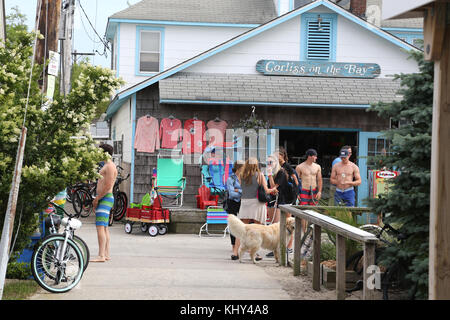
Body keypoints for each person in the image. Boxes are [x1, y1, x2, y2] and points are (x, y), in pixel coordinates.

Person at [237, 157, 277, 261]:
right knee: (257, 230)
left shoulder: (241, 175)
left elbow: (242, 188)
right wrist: (273, 189)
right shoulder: (260, 176)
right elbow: (266, 191)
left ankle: (237, 251)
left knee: (243, 229)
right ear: (256, 165)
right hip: (256, 203)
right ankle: (255, 253)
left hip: (245, 202)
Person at [91, 143, 118, 262]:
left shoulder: (110, 166)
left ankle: (101, 255)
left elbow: (108, 185)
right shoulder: (107, 165)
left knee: (100, 227)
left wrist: (97, 198)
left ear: (105, 153)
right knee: (105, 227)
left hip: (105, 198)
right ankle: (106, 254)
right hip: (104, 198)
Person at [225, 161, 244, 260]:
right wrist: (242, 192)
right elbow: (232, 194)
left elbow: (247, 191)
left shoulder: (245, 178)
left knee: (243, 224)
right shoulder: (230, 179)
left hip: (243, 203)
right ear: (239, 168)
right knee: (233, 225)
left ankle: (241, 246)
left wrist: (239, 190)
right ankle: (234, 246)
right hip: (232, 203)